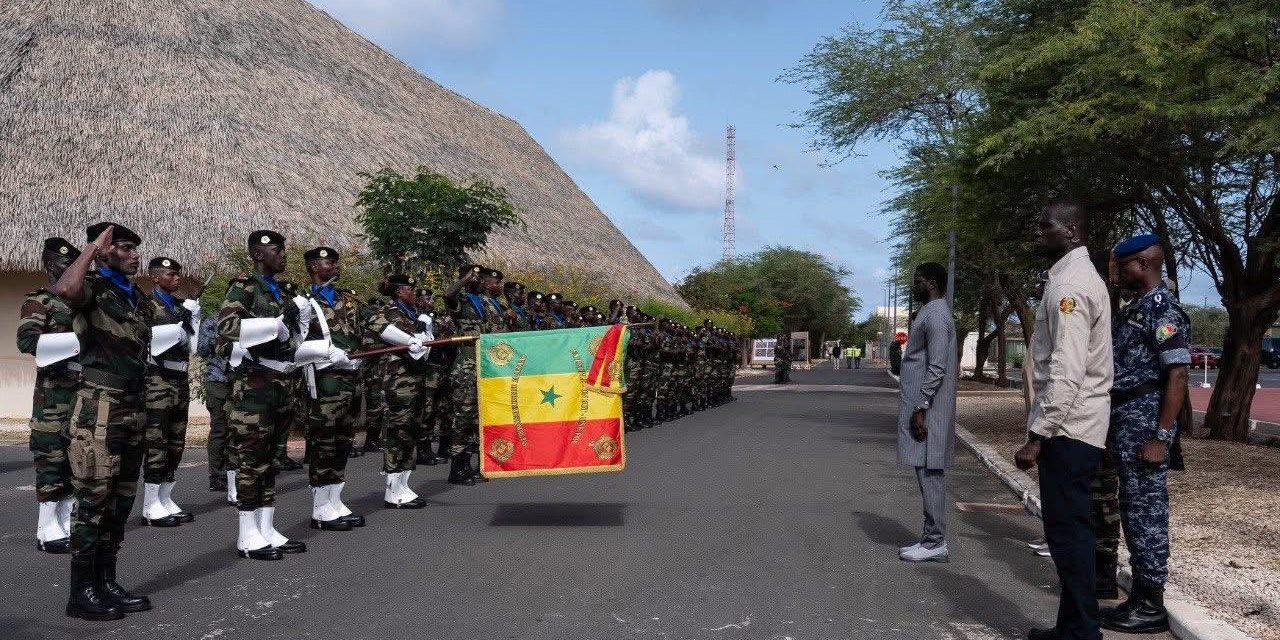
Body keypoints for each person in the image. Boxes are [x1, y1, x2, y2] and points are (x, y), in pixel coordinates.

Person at [1014, 199, 1113, 640]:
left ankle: (1083, 632)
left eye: (1045, 226)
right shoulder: (1068, 278)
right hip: (1075, 427)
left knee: (1069, 535)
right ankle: (1071, 627)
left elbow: (1067, 372)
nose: (1039, 234)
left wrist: (1039, 434)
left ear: (1071, 231)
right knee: (1069, 533)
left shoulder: (1070, 286)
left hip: (1069, 430)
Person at [54, 223, 153, 620]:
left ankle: (106, 581)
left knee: (120, 501)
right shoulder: (92, 287)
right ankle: (81, 593)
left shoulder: (136, 296)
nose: (134, 255)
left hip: (132, 406)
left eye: (135, 248)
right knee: (93, 500)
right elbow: (66, 289)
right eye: (124, 248)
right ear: (106, 252)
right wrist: (93, 248)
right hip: (99, 408)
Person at [1101, 234, 1190, 634]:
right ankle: (1139, 597)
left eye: (1121, 267)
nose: (1117, 274)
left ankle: (1151, 603)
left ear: (1142, 264)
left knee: (1146, 514)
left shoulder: (1162, 308)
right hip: (1125, 421)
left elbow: (1178, 374)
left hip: (1145, 425)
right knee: (1132, 512)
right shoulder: (1134, 309)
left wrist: (1161, 437)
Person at [218, 230, 308, 561]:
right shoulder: (244, 288)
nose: (283, 255)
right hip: (254, 385)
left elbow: (292, 339)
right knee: (250, 460)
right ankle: (247, 533)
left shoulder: (282, 291)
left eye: (284, 250)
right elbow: (227, 329)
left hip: (281, 383)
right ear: (258, 255)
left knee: (272, 459)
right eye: (277, 251)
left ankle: (266, 528)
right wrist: (274, 325)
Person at [17, 238, 82, 555]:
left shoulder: (80, 303)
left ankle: (66, 522)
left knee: (74, 461)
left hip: (81, 394)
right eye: (65, 263)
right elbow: (27, 342)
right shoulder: (38, 301)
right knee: (51, 461)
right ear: (49, 264)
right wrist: (78, 342)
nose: (70, 269)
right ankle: (46, 528)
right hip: (52, 399)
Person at [896, 262, 958, 563]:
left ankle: (935, 541)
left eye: (918, 281)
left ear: (932, 283)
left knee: (930, 471)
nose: (914, 286)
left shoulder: (936, 316)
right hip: (924, 406)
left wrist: (921, 407)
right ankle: (930, 537)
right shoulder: (931, 312)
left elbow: (937, 367)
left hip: (929, 409)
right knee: (925, 470)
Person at [301, 247, 366, 528]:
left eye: (336, 262)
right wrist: (326, 352)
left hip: (349, 379)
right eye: (330, 262)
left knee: (343, 441)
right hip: (324, 382)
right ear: (314, 267)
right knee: (323, 443)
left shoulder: (347, 298)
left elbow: (366, 329)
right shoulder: (303, 302)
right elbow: (295, 342)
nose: (336, 266)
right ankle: (320, 508)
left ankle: (335, 501)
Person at [364, 273, 431, 509]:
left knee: (411, 430)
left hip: (414, 377)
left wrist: (425, 330)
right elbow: (407, 343)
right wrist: (418, 336)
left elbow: (423, 346)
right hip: (398, 380)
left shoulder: (411, 314)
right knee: (397, 430)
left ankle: (403, 484)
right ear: (398, 292)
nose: (414, 293)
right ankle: (392, 489)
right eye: (409, 289)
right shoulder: (390, 313)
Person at [140, 257, 197, 527]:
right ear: (155, 277)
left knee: (176, 440)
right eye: (170, 274)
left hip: (179, 378)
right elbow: (142, 340)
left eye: (177, 274)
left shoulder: (180, 306)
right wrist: (175, 330)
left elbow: (196, 346)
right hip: (157, 378)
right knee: (156, 440)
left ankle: (165, 497)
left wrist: (194, 319)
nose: (177, 278)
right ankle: (150, 504)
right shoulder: (145, 306)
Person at [197, 314, 236, 501]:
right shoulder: (213, 321)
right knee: (220, 429)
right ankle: (217, 475)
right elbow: (202, 350)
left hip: (240, 381)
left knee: (237, 430)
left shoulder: (245, 321)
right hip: (218, 381)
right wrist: (221, 337)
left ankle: (234, 473)